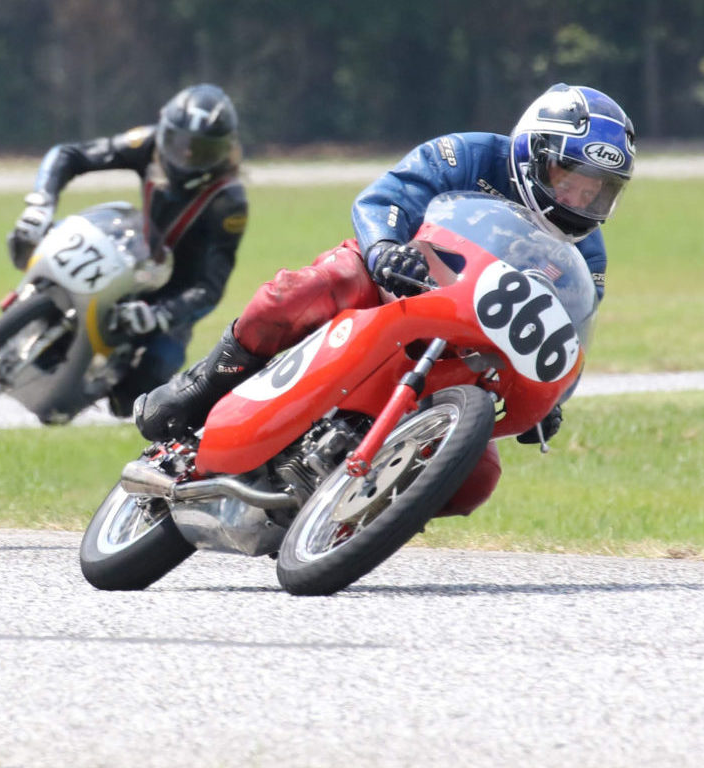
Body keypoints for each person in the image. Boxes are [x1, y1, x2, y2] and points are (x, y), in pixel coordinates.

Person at [134, 83, 635, 516]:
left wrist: (551, 397)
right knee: (300, 291)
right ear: (533, 149)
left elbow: (568, 332)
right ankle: (203, 384)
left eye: (598, 191)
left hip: (463, 351)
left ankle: (361, 517)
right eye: (568, 178)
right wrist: (386, 250)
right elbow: (385, 197)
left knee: (477, 478)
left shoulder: (586, 251)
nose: (579, 201)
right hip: (393, 279)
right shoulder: (468, 154)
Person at [5, 84, 249, 416]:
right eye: (180, 144)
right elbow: (69, 155)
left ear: (225, 151)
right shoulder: (147, 143)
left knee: (144, 386)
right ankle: (27, 298)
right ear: (165, 131)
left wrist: (162, 314)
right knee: (28, 236)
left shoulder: (229, 202)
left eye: (202, 150)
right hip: (134, 256)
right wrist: (40, 203)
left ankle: (89, 387)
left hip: (172, 294)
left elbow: (210, 287)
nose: (187, 156)